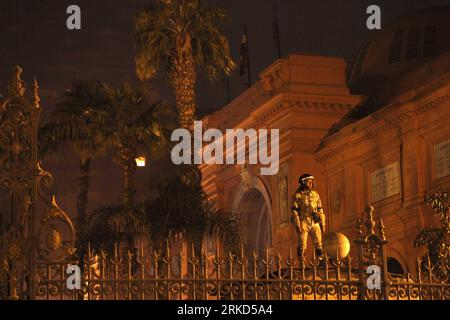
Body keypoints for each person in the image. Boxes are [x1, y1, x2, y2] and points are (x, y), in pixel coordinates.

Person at [291, 173, 326, 262]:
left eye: (311, 182)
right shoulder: (297, 196)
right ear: (303, 183)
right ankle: (301, 260)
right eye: (308, 182)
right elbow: (294, 211)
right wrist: (297, 224)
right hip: (304, 220)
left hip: (314, 221)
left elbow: (320, 209)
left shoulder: (315, 195)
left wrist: (322, 223)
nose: (310, 184)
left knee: (318, 242)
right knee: (302, 242)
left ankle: (321, 260)